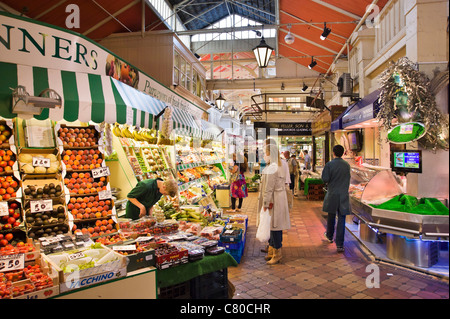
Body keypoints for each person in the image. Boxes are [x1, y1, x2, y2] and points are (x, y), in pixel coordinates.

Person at [257, 139, 290, 265]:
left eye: (265, 152)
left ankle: (277, 254)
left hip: (273, 200)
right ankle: (272, 250)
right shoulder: (280, 165)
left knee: (275, 227)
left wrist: (265, 203)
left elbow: (269, 188)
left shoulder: (272, 167)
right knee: (276, 226)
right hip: (279, 198)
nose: (264, 155)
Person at [321, 145, 351, 253]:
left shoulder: (329, 164)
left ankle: (329, 236)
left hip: (332, 194)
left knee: (331, 215)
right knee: (342, 219)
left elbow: (325, 179)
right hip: (343, 195)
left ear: (333, 152)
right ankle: (340, 245)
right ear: (343, 153)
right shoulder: (347, 165)